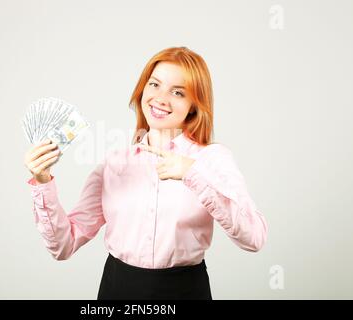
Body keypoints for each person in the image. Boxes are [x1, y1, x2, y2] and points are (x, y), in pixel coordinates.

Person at [23, 46, 268, 300]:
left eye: (178, 92)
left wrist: (192, 174)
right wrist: (42, 181)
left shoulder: (211, 159)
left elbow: (254, 238)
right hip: (117, 291)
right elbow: (63, 246)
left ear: (194, 106)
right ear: (143, 90)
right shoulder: (114, 163)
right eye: (154, 85)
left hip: (185, 291)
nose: (161, 98)